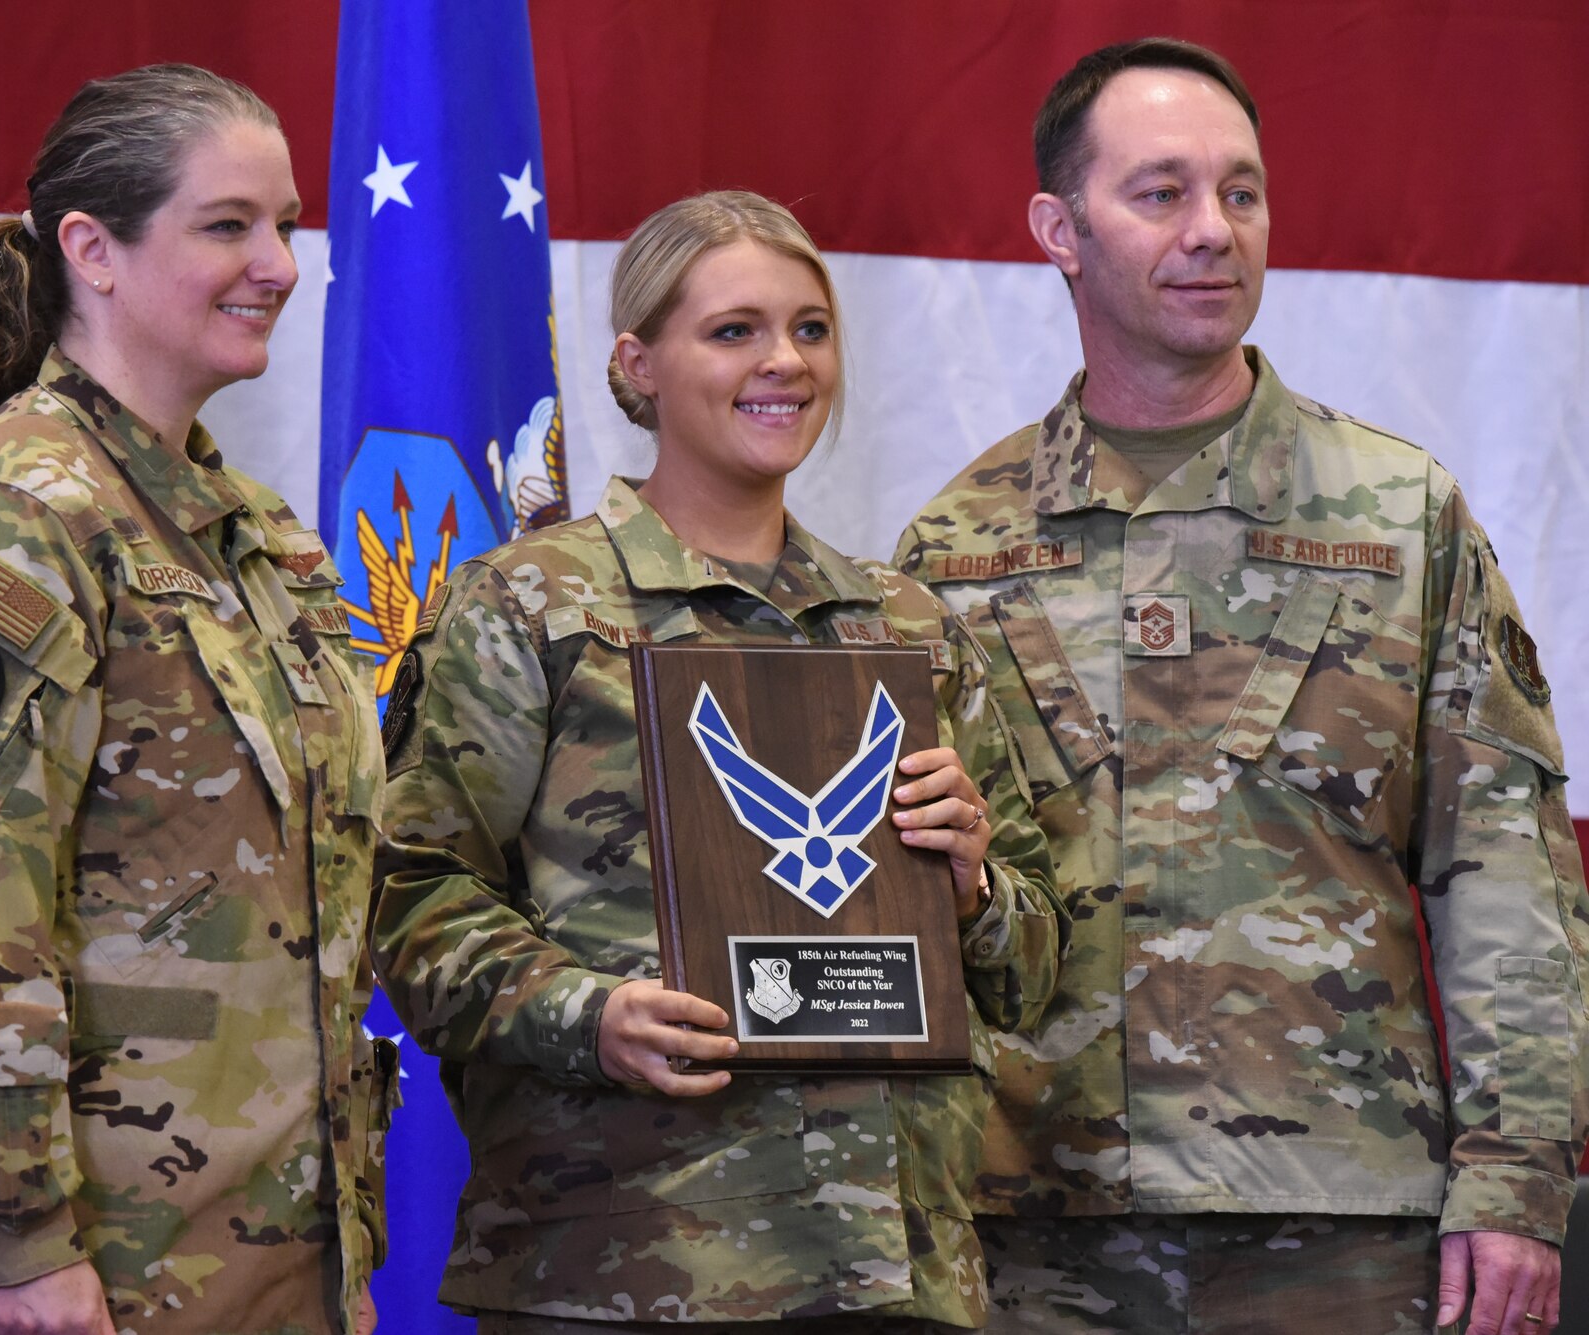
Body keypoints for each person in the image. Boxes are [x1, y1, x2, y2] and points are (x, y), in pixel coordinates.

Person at [893, 38, 1589, 1335]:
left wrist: (1516, 1176)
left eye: (1243, 192)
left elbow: (1506, 869)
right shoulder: (956, 544)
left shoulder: (1399, 516)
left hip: (1336, 1222)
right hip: (1026, 1218)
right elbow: (920, 895)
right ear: (1059, 228)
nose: (1214, 230)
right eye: (1161, 193)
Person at [372, 190, 1068, 1332]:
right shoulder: (533, 606)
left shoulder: (908, 628)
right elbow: (407, 896)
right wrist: (583, 1014)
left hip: (892, 1268)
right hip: (629, 1265)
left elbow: (1034, 964)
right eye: (733, 330)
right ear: (638, 365)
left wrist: (973, 882)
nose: (782, 362)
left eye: (808, 328)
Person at [0, 65, 390, 1335]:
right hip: (92, 1282)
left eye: (285, 223)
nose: (279, 263)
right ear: (91, 249)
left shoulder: (247, 530)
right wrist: (25, 1248)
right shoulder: (12, 517)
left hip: (275, 1265)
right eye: (228, 225)